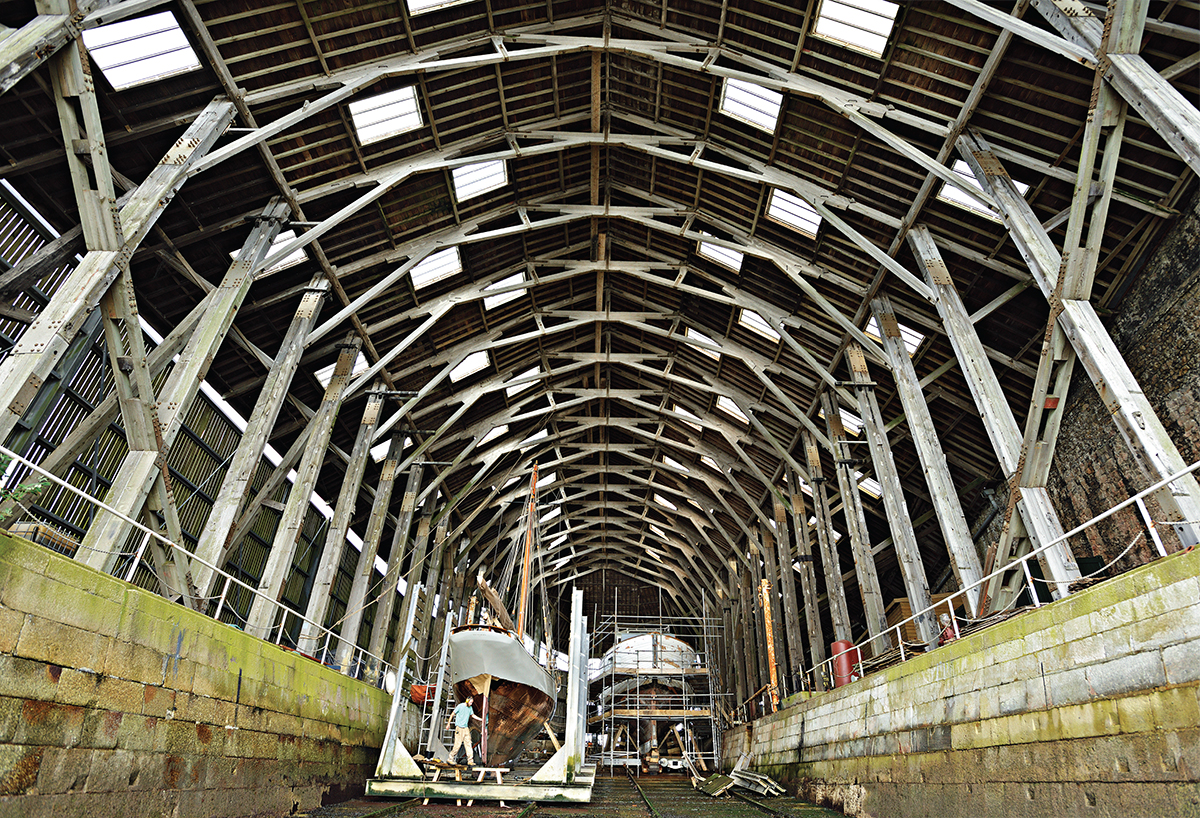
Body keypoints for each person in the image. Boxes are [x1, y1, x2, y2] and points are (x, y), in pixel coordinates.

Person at [446, 695, 482, 765]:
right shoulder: (460, 706)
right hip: (459, 728)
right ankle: (450, 758)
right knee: (457, 745)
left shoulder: (470, 708)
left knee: (468, 743)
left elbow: (472, 715)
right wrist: (448, 723)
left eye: (472, 703)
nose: (471, 704)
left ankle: (470, 760)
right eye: (471, 702)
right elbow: (453, 714)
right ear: (467, 701)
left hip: (465, 728)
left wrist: (481, 719)